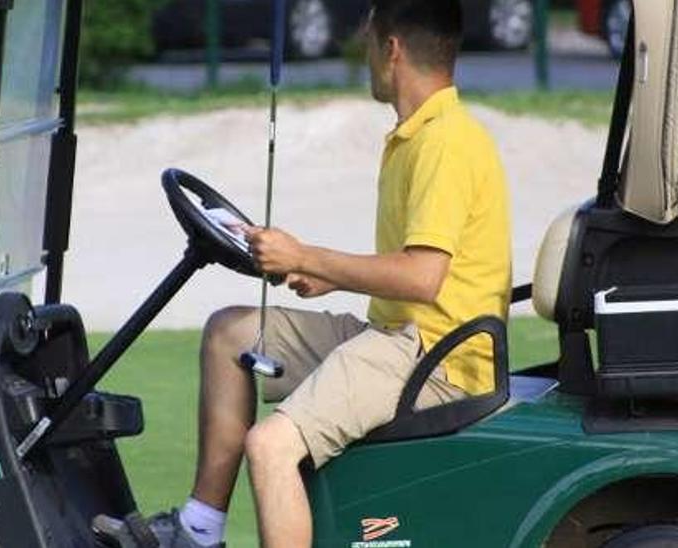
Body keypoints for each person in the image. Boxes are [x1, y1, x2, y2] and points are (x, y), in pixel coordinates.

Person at [150, 0, 510, 545]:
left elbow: (422, 279)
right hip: (398, 336)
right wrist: (332, 277)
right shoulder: (419, 134)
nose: (365, 58)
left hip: (437, 359)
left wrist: (304, 258)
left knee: (271, 449)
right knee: (230, 332)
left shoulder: (446, 143)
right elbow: (413, 272)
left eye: (368, 44)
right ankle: (199, 529)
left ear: (391, 50)